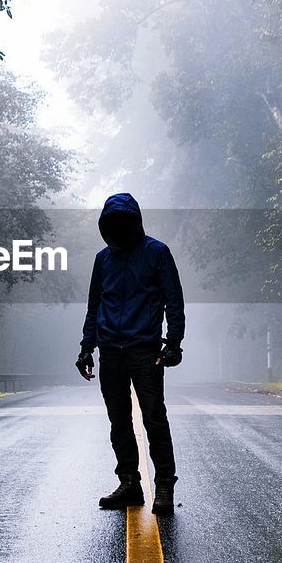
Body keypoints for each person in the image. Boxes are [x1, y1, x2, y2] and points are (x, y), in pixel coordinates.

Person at [75, 193, 185, 515]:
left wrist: (173, 342)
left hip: (144, 349)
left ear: (135, 221)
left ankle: (164, 483)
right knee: (118, 419)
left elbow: (173, 299)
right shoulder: (103, 259)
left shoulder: (157, 253)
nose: (119, 228)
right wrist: (86, 347)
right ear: (106, 226)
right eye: (113, 223)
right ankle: (129, 483)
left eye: (124, 222)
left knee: (153, 417)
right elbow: (94, 305)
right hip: (110, 351)